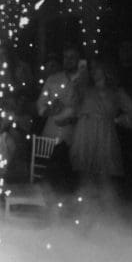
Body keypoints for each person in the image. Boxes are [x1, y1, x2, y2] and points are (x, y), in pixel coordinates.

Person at [69, 59, 132, 187]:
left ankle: (105, 197)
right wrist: (77, 83)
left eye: (96, 68)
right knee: (84, 171)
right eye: (92, 68)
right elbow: (73, 107)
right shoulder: (84, 89)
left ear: (105, 70)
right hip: (85, 132)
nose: (93, 71)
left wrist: (118, 120)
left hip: (105, 134)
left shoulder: (116, 91)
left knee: (104, 173)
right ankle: (84, 196)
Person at [36, 46, 83, 192]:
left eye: (72, 57)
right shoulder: (53, 79)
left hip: (76, 134)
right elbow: (41, 104)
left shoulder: (84, 81)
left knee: (73, 174)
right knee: (51, 171)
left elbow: (87, 106)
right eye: (66, 57)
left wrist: (75, 117)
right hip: (52, 131)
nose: (68, 60)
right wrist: (50, 109)